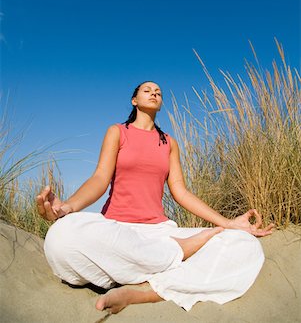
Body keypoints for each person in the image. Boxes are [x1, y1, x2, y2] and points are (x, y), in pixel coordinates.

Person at [37, 80, 274, 315]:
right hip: (116, 232)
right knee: (60, 236)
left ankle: (145, 290)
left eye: (158, 92)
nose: (154, 94)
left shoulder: (169, 143)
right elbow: (100, 178)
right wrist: (68, 207)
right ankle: (174, 254)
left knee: (246, 246)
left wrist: (228, 224)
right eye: (147, 90)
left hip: (158, 233)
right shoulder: (117, 132)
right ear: (134, 100)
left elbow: (180, 191)